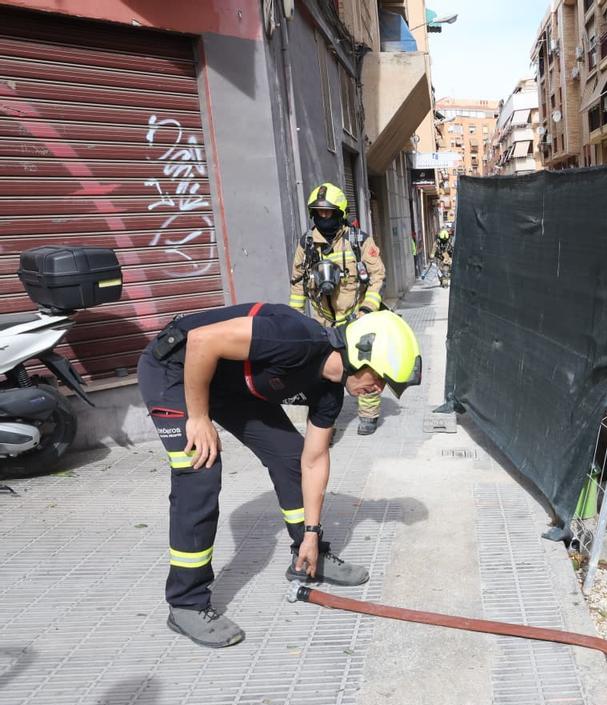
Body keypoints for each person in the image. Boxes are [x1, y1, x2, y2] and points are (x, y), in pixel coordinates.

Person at [138, 304, 422, 648]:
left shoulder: (329, 393)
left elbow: (314, 460)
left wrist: (312, 535)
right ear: (361, 354)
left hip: (228, 386)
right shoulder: (294, 338)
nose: (377, 389)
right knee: (200, 467)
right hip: (174, 369)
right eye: (379, 378)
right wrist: (198, 418)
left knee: (290, 456)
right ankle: (186, 602)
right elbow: (202, 340)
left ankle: (306, 556)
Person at [290, 183, 388, 435]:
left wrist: (367, 309)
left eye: (329, 212)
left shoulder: (358, 241)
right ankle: (325, 424)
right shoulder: (307, 244)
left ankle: (368, 414)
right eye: (319, 213)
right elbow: (297, 285)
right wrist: (297, 322)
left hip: (357, 317)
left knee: (364, 367)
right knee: (323, 376)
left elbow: (378, 276)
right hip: (323, 324)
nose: (324, 217)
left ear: (340, 213)